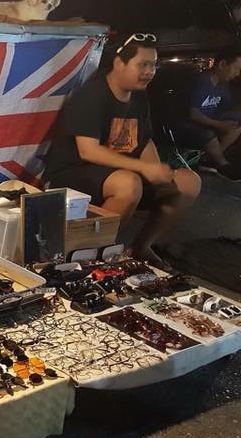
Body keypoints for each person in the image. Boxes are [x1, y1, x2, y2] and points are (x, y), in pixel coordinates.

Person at [44, 34, 202, 271]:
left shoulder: (138, 96)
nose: (149, 72)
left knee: (189, 182)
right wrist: (143, 168)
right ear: (119, 63)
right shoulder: (92, 94)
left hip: (122, 172)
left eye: (153, 65)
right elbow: (88, 151)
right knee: (129, 184)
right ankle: (91, 256)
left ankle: (141, 247)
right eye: (143, 65)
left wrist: (156, 171)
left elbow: (143, 140)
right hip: (74, 173)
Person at [170, 47, 241, 180]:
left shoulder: (222, 84)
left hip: (208, 119)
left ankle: (209, 160)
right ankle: (222, 165)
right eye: (235, 68)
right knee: (207, 133)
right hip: (187, 124)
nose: (237, 73)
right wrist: (220, 125)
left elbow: (228, 108)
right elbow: (193, 114)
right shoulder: (202, 81)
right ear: (222, 64)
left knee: (237, 121)